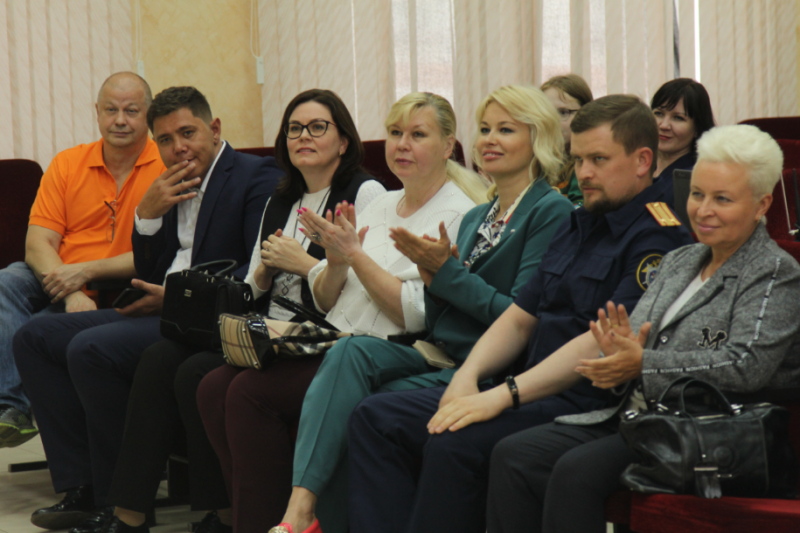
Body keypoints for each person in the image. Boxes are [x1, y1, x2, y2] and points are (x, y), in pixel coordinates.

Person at [346, 95, 696, 533]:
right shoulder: (579, 223)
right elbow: (519, 317)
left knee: (454, 442)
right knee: (376, 418)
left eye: (598, 160)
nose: (584, 173)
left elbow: (595, 343)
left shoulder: (658, 237)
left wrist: (501, 395)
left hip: (580, 401)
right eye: (578, 159)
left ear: (643, 160)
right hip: (522, 384)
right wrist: (467, 378)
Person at [485, 124, 800, 533]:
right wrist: (616, 356)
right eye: (697, 194)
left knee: (575, 473)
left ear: (761, 205)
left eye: (722, 199)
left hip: (708, 431)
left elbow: (746, 365)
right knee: (513, 454)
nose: (703, 210)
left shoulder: (775, 272)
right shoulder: (680, 260)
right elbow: (633, 340)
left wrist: (641, 364)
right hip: (638, 418)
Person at [197, 92, 484, 533]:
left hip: (392, 349)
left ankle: (283, 520)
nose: (402, 145)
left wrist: (354, 256)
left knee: (249, 393)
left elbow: (413, 315)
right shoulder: (383, 203)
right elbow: (329, 301)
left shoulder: (457, 213)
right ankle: (257, 517)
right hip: (334, 338)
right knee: (213, 385)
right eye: (395, 133)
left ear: (448, 145)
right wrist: (333, 264)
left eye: (418, 135)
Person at [100, 89, 385, 533]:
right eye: (294, 128)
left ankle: (241, 517)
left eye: (317, 127)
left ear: (344, 140)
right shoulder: (282, 197)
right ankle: (217, 514)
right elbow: (251, 285)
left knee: (208, 378)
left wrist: (303, 263)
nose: (303, 136)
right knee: (179, 367)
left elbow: (366, 288)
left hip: (327, 336)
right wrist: (266, 272)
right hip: (269, 328)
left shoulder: (364, 193)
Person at [13, 86, 281, 533]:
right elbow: (152, 265)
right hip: (161, 305)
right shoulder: (170, 179)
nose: (178, 148)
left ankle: (114, 501)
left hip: (202, 317)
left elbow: (254, 269)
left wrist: (178, 298)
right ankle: (81, 485)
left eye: (188, 133)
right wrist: (148, 216)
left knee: (90, 348)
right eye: (166, 140)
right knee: (35, 338)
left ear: (214, 129)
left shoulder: (254, 175)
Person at [0, 72, 164, 448]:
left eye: (131, 111)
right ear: (97, 112)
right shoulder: (68, 163)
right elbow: (37, 243)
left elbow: (155, 254)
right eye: (110, 110)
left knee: (36, 330)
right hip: (59, 277)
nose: (120, 120)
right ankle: (11, 408)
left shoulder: (164, 167)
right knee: (7, 280)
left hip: (122, 281)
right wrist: (71, 290)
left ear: (149, 114)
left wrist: (85, 273)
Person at [651, 78, 715, 206]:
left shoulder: (696, 178)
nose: (664, 125)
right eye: (659, 113)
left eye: (678, 118)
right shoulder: (638, 164)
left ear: (697, 128)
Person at [541, 73, 593, 208]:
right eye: (546, 113)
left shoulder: (586, 165)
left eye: (563, 112)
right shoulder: (533, 161)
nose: (553, 121)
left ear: (586, 114)